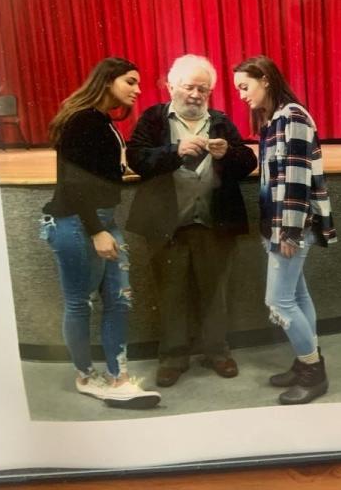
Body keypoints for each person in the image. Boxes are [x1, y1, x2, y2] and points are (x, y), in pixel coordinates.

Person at [127, 55, 256, 388]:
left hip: (213, 223)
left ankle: (217, 352)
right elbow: (136, 158)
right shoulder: (154, 118)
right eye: (189, 87)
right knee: (171, 294)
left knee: (215, 293)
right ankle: (173, 357)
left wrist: (228, 152)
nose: (197, 94)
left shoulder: (221, 121)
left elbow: (247, 162)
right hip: (167, 225)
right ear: (172, 87)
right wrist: (174, 151)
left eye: (204, 89)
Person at [40, 57, 160, 408]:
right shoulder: (83, 120)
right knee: (80, 304)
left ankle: (118, 377)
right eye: (131, 82)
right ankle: (85, 377)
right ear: (108, 81)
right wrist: (96, 231)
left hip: (101, 222)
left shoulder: (101, 120)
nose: (138, 90)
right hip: (78, 223)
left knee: (119, 300)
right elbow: (75, 183)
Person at [233, 55, 336, 405]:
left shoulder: (291, 117)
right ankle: (305, 360)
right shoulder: (276, 119)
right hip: (278, 226)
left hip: (290, 227)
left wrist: (289, 232)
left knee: (278, 300)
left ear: (264, 78)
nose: (242, 96)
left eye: (245, 87)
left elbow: (295, 180)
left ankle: (313, 372)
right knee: (297, 296)